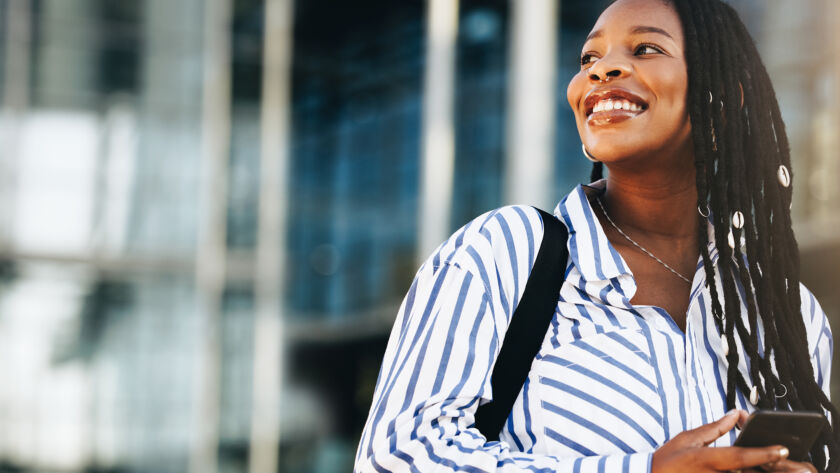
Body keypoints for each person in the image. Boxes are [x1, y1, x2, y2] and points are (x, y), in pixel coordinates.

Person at [354, 0, 839, 472]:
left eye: (646, 49)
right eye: (589, 57)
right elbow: (398, 457)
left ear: (723, 96)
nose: (603, 69)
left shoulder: (789, 316)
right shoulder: (504, 252)